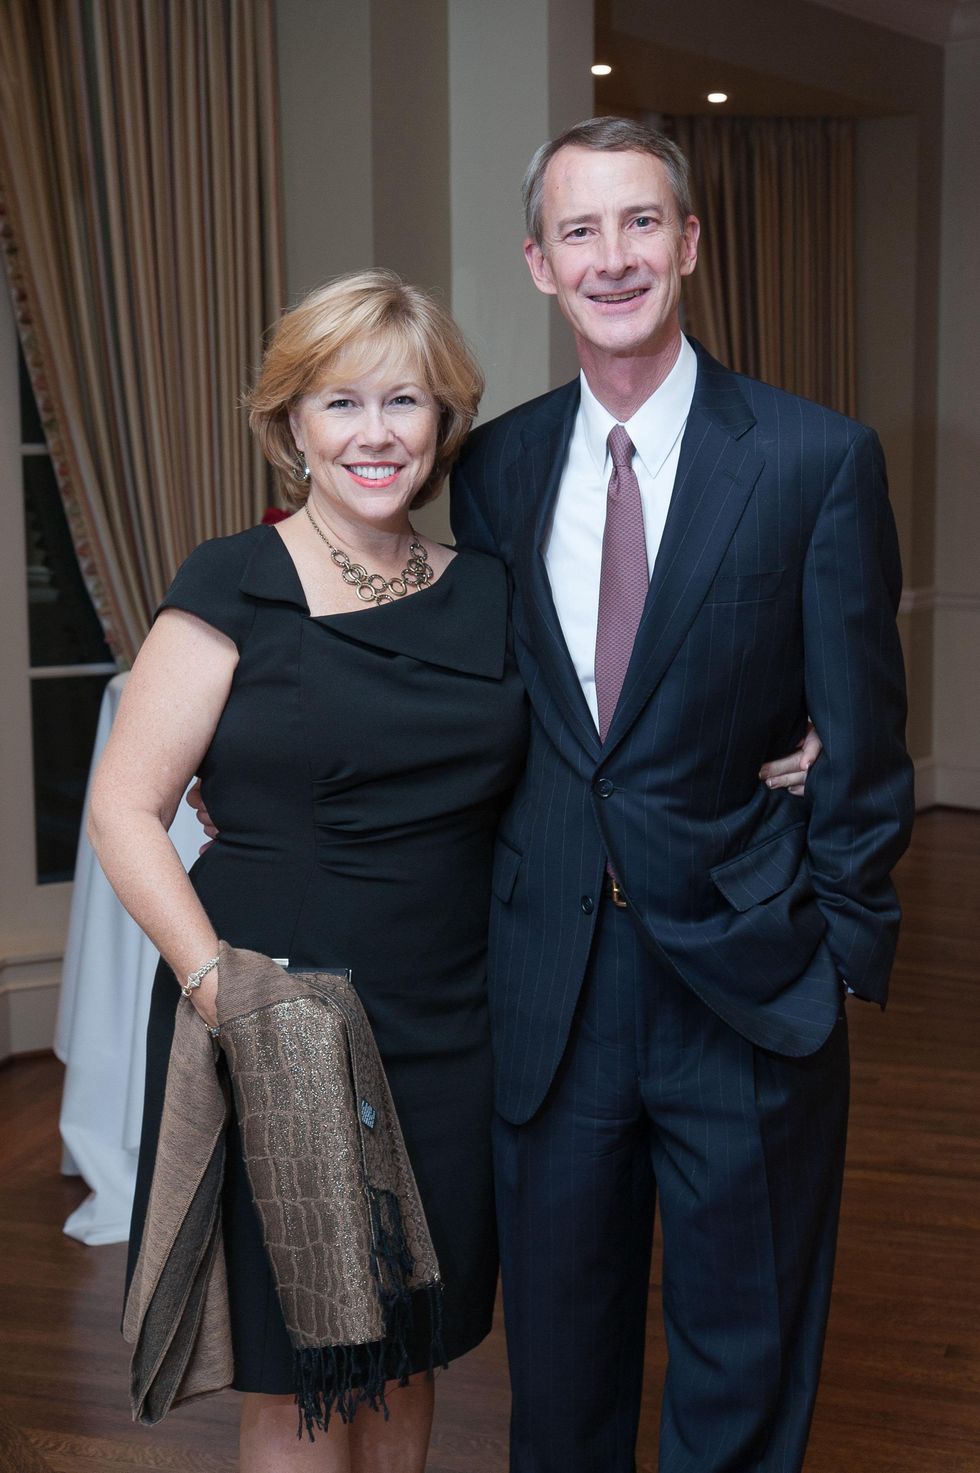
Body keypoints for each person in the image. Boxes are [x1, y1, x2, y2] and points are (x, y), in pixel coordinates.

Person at [449, 117, 915, 1473]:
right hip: (549, 991)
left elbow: (867, 734)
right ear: (540, 263)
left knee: (743, 1368)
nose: (613, 257)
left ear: (690, 243)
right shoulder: (494, 471)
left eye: (641, 222)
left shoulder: (815, 459)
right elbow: (467, 704)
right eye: (580, 230)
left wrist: (835, 942)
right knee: (560, 1381)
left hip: (748, 981)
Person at [88, 270, 530, 1473]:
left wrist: (786, 747)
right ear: (291, 423)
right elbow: (125, 809)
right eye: (340, 403)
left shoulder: (490, 591)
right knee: (301, 1379)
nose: (373, 434)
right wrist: (220, 989)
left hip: (452, 1019)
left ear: (442, 422)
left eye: (403, 401)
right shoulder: (233, 578)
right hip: (278, 1014)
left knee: (407, 1352)